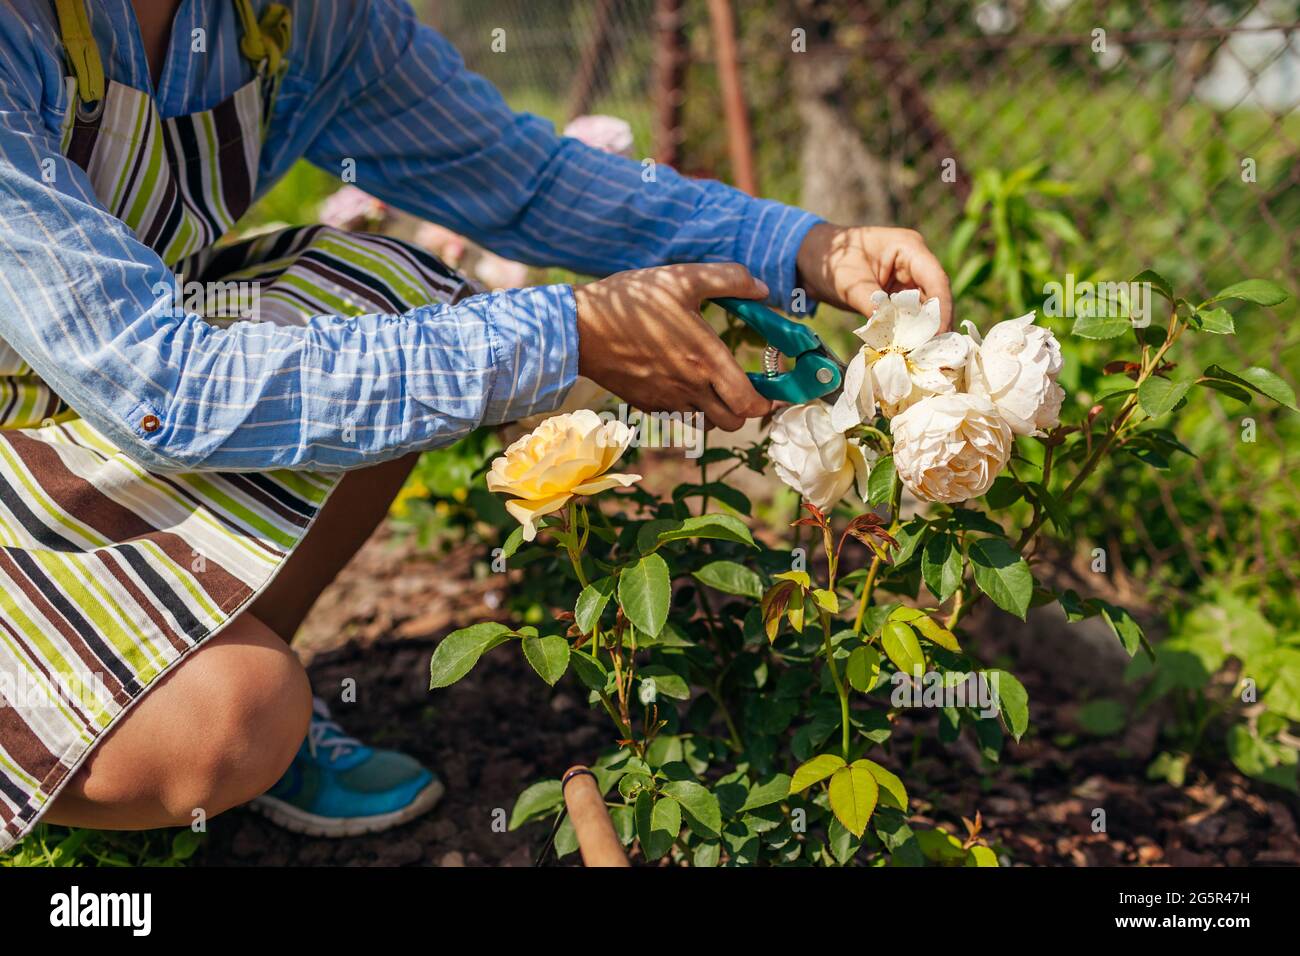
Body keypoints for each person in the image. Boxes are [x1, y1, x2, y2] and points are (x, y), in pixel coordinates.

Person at [0, 0, 952, 849]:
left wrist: (799, 246)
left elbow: (523, 181)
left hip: (81, 413)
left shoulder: (289, 21)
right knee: (230, 722)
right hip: (119, 394)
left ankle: (156, 657)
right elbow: (166, 383)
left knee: (392, 300)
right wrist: (567, 334)